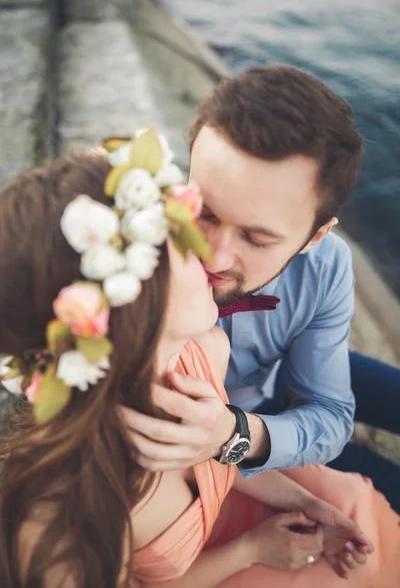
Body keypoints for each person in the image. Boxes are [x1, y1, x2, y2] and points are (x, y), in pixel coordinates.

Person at [0, 140, 399, 587]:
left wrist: (300, 501)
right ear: (136, 303)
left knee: (353, 509)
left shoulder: (204, 353)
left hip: (257, 464)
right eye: (185, 245)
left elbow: (215, 458)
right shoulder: (62, 516)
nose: (214, 255)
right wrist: (251, 550)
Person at [119, 65, 400, 512]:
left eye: (256, 238)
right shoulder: (128, 244)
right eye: (205, 213)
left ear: (315, 237)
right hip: (249, 419)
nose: (213, 256)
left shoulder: (326, 267)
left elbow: (329, 414)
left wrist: (234, 432)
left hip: (280, 377)